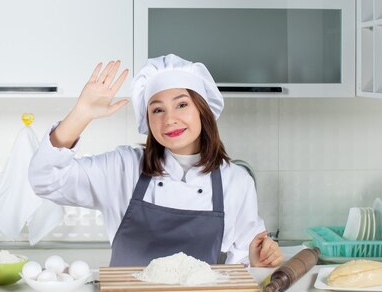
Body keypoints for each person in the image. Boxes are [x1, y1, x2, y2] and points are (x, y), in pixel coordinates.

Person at [28, 54, 283, 267]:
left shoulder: (236, 181)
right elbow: (45, 180)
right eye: (157, 109)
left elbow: (243, 264)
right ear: (148, 119)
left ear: (202, 110)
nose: (169, 119)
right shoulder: (123, 167)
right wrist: (81, 114)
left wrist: (257, 261)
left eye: (182, 105)